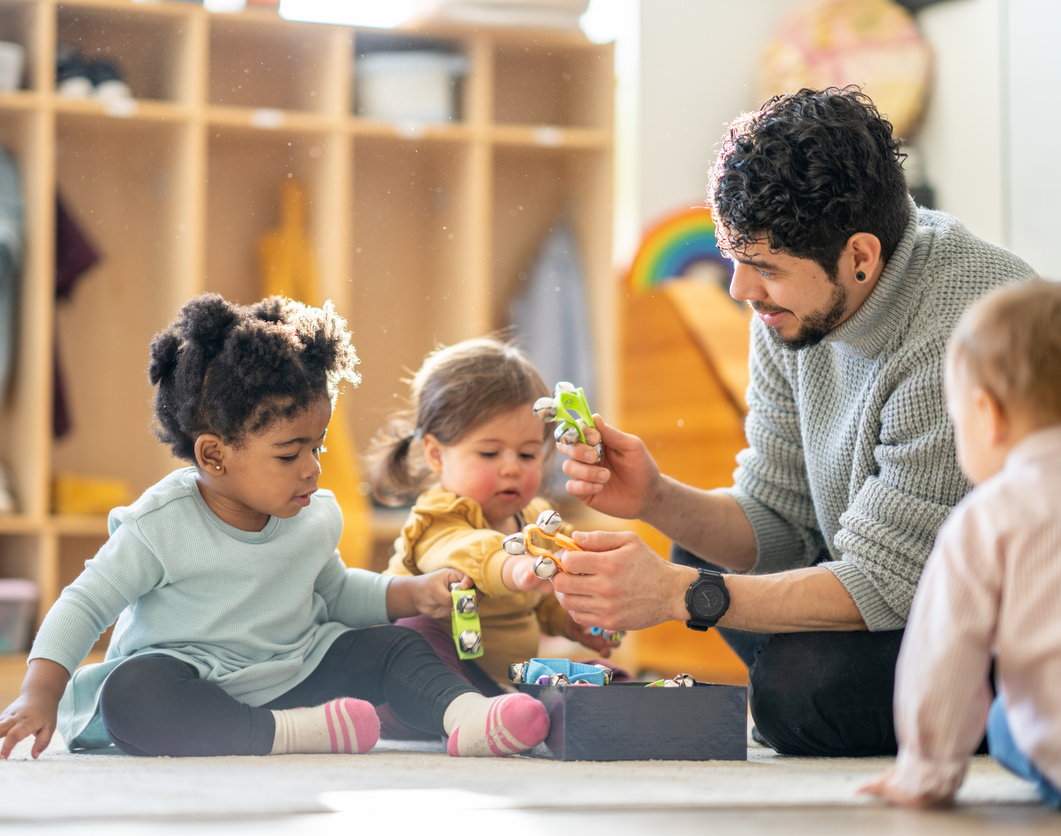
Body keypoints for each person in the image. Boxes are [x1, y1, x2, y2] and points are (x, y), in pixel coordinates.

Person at [551, 87, 1037, 757]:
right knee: (698, 550)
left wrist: (674, 598)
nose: (740, 292)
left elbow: (885, 581)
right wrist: (655, 498)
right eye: (735, 260)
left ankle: (999, 716)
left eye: (765, 269)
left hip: (1000, 621)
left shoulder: (960, 333)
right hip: (895, 582)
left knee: (798, 692)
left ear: (860, 257)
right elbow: (780, 514)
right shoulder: (791, 310)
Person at [0, 295, 550, 760]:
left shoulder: (313, 512)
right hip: (196, 681)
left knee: (396, 646)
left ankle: (469, 716)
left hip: (295, 667)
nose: (313, 468)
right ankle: (294, 733)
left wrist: (409, 593)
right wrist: (38, 696)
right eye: (289, 453)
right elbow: (83, 605)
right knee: (133, 697)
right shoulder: (158, 526)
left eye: (316, 446)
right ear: (215, 456)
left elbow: (336, 592)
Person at [860, 280, 1061, 808]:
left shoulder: (990, 515)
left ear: (987, 415)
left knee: (1005, 718)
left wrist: (926, 768)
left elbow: (943, 652)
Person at [370, 338, 618, 735]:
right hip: (414, 688)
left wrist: (572, 619)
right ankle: (469, 715)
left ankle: (565, 713)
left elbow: (546, 596)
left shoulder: (538, 520)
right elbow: (465, 551)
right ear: (436, 454)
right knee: (415, 630)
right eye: (489, 453)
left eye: (526, 454)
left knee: (601, 675)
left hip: (501, 684)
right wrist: (512, 567)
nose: (511, 469)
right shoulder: (435, 517)